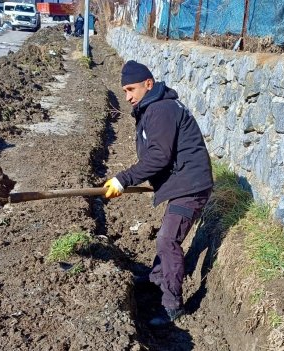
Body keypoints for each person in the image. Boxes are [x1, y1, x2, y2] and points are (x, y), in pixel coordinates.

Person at [103, 60, 213, 326]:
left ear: (148, 84)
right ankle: (156, 280)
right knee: (167, 236)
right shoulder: (153, 107)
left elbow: (159, 156)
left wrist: (123, 179)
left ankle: (172, 305)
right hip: (181, 182)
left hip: (191, 186)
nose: (127, 96)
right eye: (125, 91)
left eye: (131, 89)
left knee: (167, 240)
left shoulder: (160, 109)